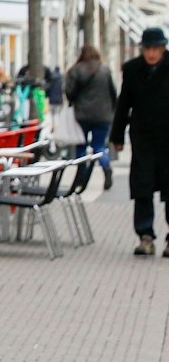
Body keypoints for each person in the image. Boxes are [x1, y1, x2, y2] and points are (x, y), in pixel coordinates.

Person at [113, 28, 169, 257]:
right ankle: (145, 236)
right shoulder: (133, 70)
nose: (152, 54)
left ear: (164, 48)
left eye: (156, 49)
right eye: (148, 49)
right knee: (142, 187)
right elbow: (124, 103)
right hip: (143, 137)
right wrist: (117, 136)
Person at [66, 46, 118, 190]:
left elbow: (70, 93)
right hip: (103, 115)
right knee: (99, 146)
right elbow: (113, 92)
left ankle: (80, 177)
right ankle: (106, 167)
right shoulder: (105, 70)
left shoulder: (76, 70)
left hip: (82, 115)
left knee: (81, 147)